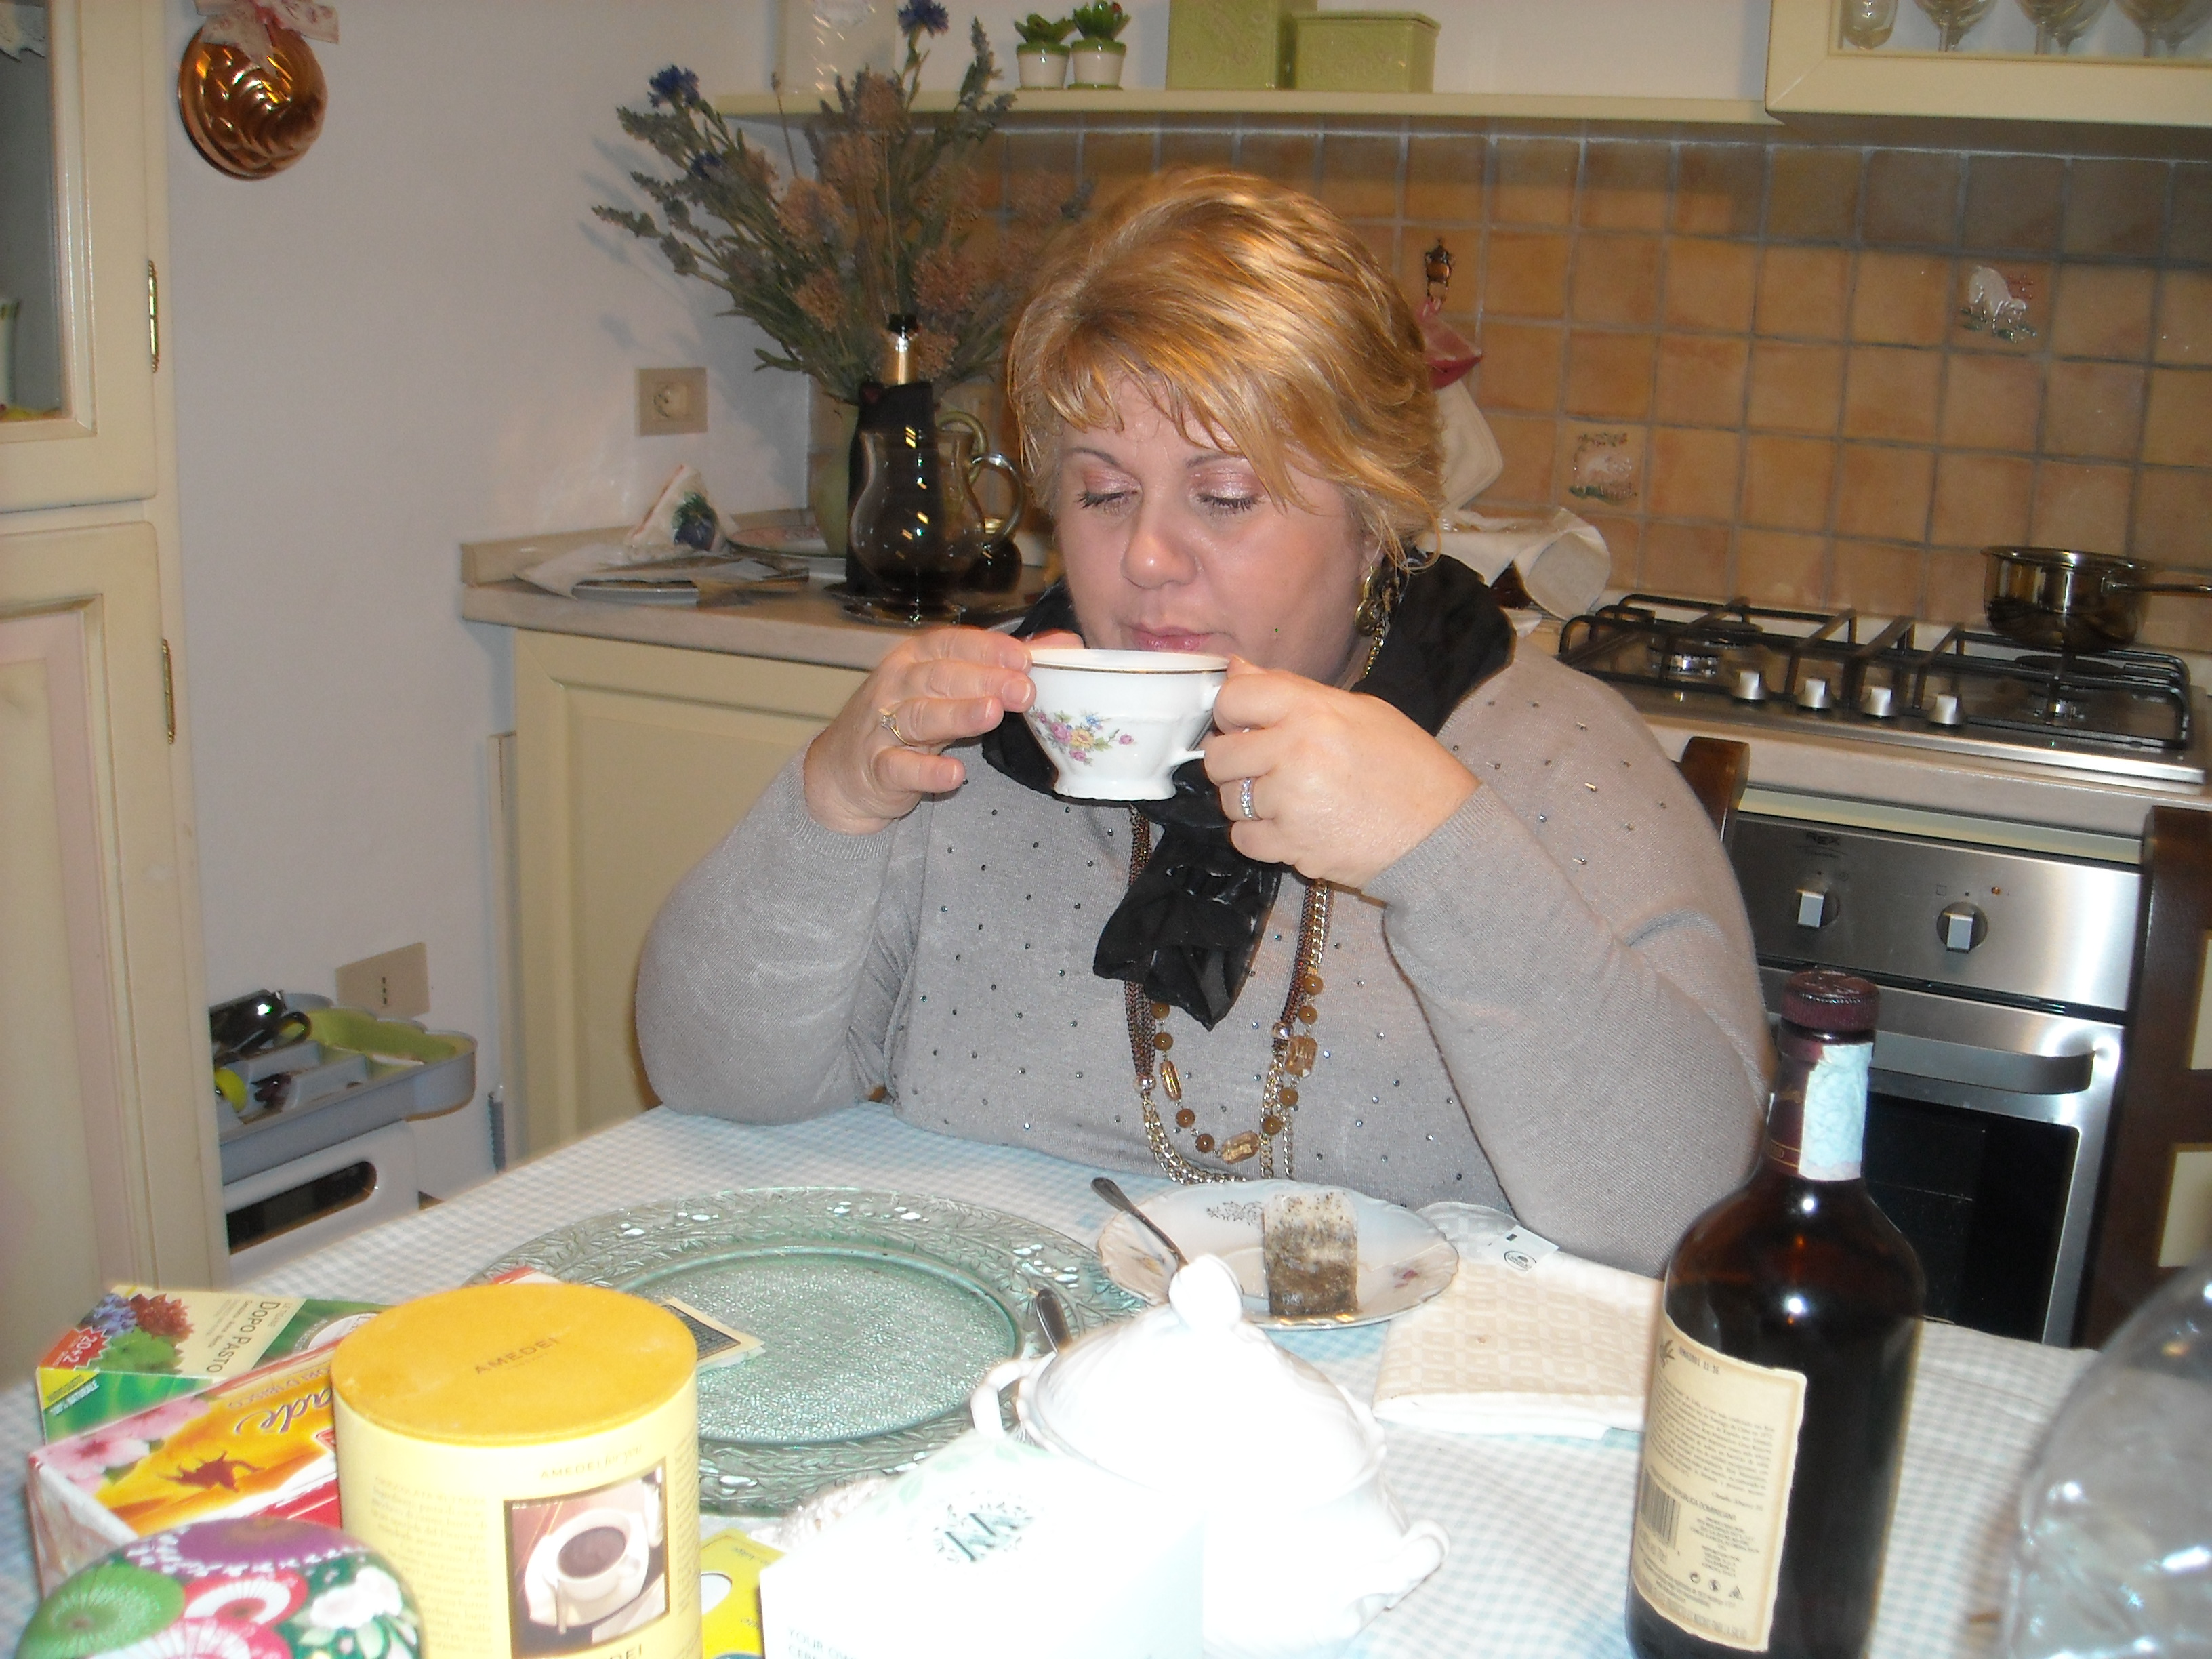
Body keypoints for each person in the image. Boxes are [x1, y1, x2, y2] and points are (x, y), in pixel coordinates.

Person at [636, 169, 1768, 1275]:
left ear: (1374, 520)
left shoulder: (1555, 758)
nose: (1145, 557)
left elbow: (1689, 1212)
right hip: (1019, 1348)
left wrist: (1446, 852)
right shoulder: (977, 732)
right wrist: (831, 801)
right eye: (1104, 492)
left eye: (1224, 497)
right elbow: (714, 1083)